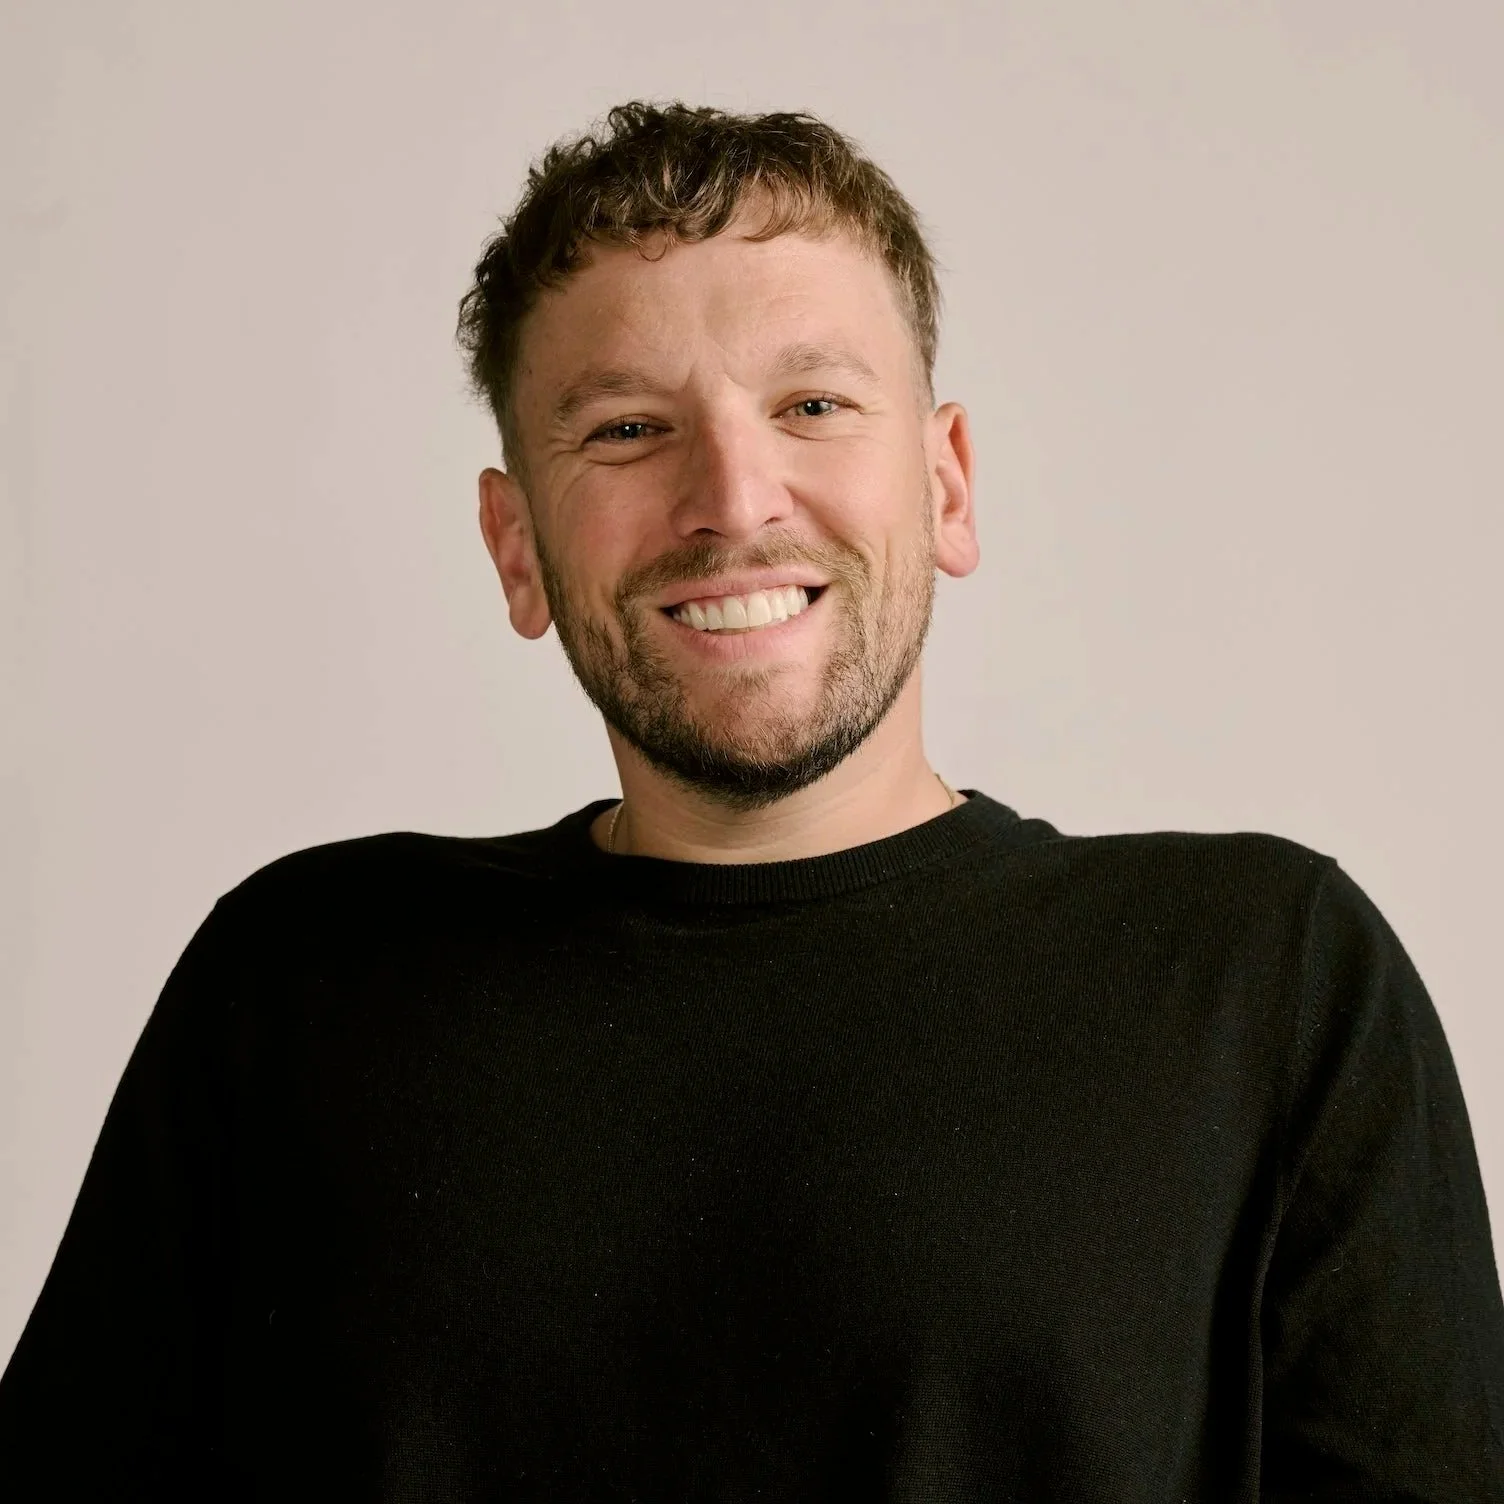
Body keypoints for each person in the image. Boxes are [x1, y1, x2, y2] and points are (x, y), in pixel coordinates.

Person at [2, 100, 1500, 1501]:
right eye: (627, 429)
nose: (733, 494)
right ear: (516, 546)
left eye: (812, 401)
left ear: (950, 483)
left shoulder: (1264, 980)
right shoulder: (298, 982)